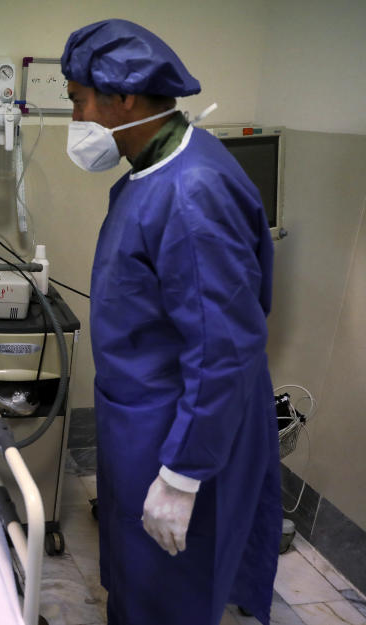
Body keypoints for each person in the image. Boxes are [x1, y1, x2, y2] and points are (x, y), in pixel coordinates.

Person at [61, 19, 281, 625]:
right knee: (139, 577)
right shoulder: (151, 173)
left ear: (123, 98)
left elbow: (224, 347)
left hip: (183, 427)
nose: (75, 121)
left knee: (172, 589)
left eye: (78, 102)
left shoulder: (191, 192)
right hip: (145, 415)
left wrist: (184, 474)